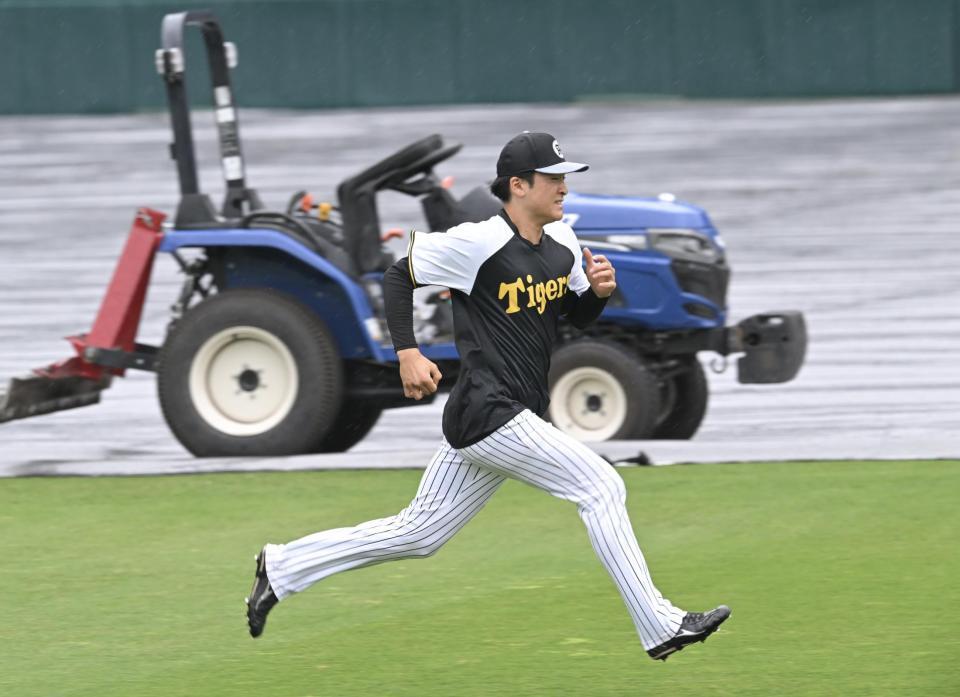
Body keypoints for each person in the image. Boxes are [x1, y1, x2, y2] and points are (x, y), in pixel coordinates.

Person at [246, 132, 730, 661]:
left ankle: (283, 566)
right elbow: (397, 274)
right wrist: (407, 352)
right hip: (491, 410)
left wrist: (598, 295)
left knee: (418, 534)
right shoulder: (477, 242)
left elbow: (571, 317)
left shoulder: (563, 242)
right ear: (518, 186)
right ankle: (659, 625)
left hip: (504, 414)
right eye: (553, 177)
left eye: (565, 176)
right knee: (602, 487)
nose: (564, 186)